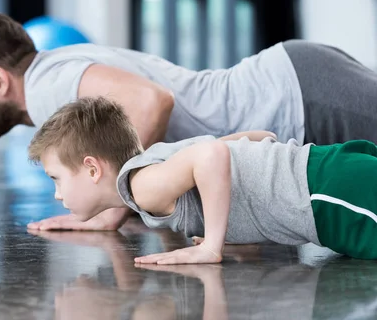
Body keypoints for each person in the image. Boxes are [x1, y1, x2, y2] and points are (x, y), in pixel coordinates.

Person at [0, 12, 377, 231]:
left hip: (297, 94)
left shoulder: (47, 85)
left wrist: (113, 208)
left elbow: (151, 103)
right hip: (295, 85)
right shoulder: (55, 68)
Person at [27, 96, 377, 263]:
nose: (57, 195)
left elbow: (212, 156)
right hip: (330, 169)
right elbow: (258, 136)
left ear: (92, 169)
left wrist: (213, 244)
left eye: (56, 179)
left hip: (326, 195)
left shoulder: (141, 186)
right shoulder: (160, 157)